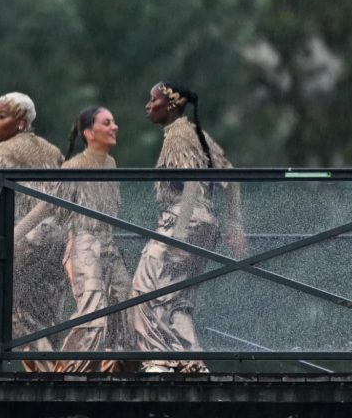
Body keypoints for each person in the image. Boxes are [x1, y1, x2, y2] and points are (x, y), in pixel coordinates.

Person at [132, 82, 248, 373]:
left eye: (153, 99)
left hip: (182, 222)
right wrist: (233, 223)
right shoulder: (197, 133)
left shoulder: (180, 134)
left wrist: (180, 233)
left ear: (170, 105)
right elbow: (230, 176)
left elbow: (193, 180)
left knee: (145, 289)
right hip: (205, 224)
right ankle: (191, 363)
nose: (148, 105)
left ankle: (159, 362)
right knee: (179, 302)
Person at [16, 106, 134, 372]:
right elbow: (46, 207)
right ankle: (67, 371)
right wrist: (14, 236)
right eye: (107, 123)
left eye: (114, 122)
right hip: (84, 245)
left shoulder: (111, 164)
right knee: (93, 311)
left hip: (109, 246)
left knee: (126, 305)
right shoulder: (73, 166)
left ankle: (116, 370)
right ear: (89, 133)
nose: (114, 127)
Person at [0, 92, 67, 372]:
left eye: (1, 116)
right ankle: (50, 373)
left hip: (22, 237)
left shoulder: (6, 150)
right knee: (35, 312)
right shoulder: (53, 150)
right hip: (55, 239)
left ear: (21, 123)